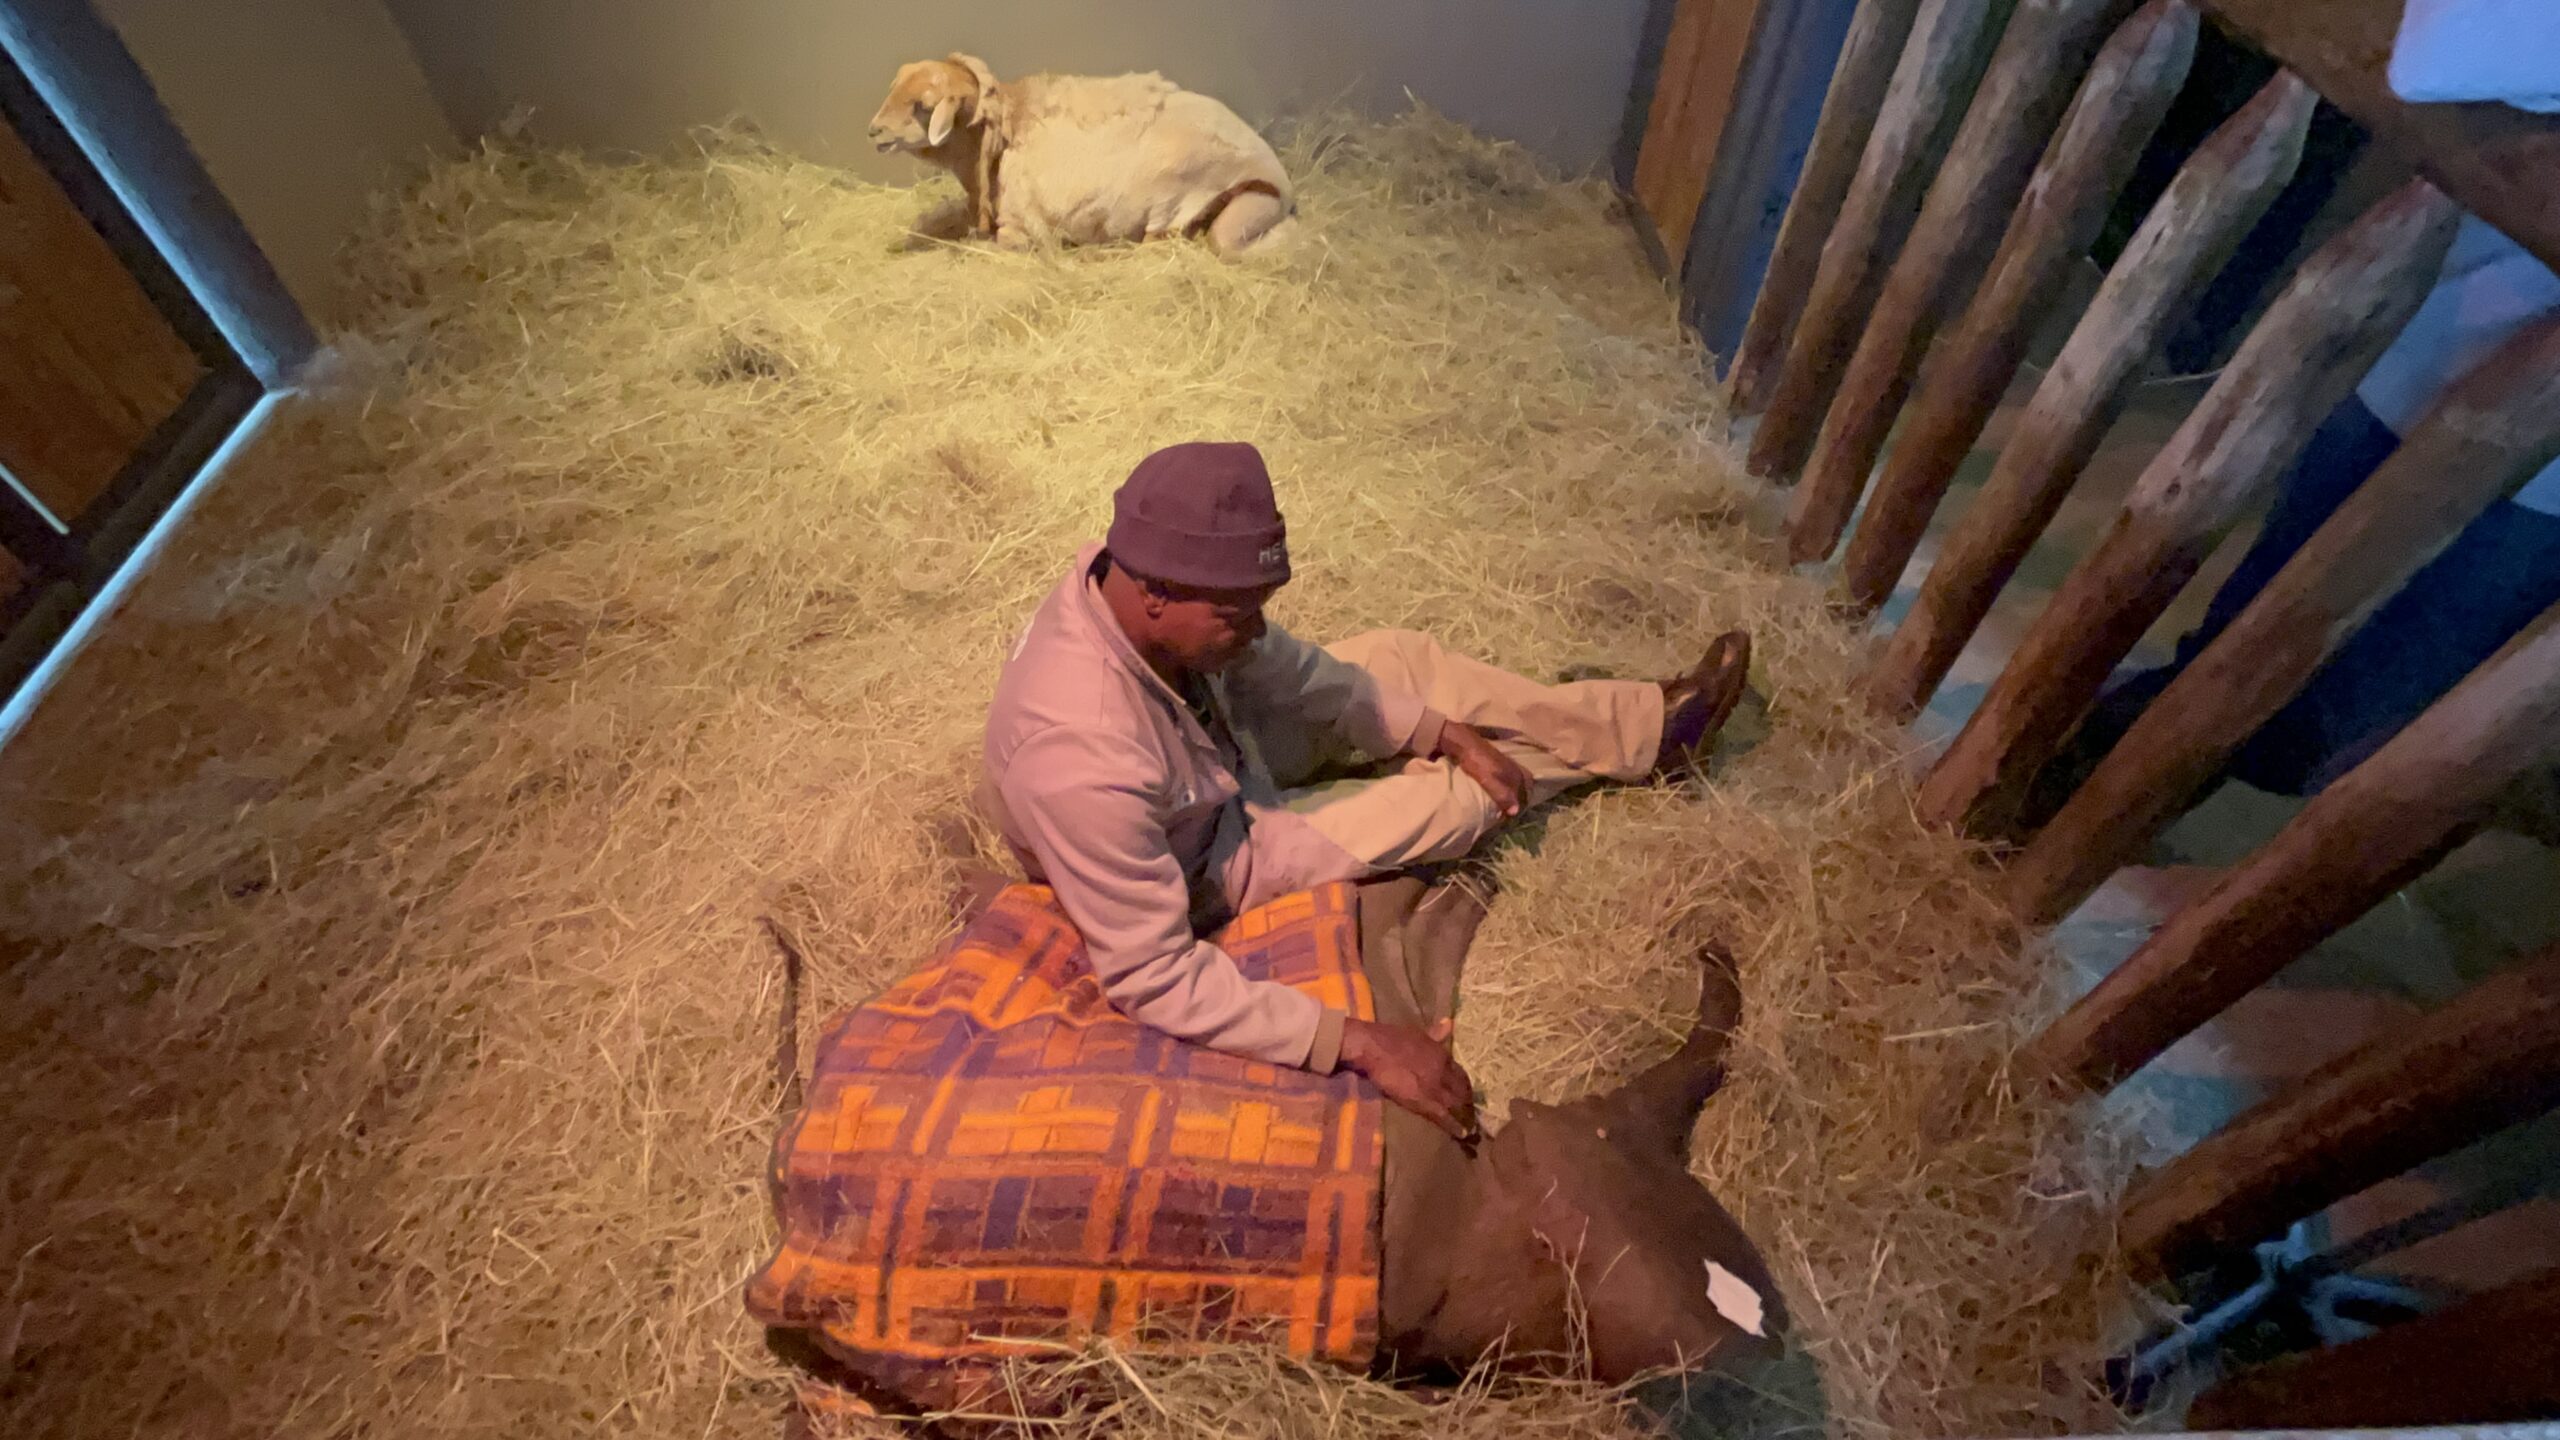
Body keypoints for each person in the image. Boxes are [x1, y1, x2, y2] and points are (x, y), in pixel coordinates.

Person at [981, 441, 1752, 1138]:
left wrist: (1439, 730)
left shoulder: (1143, 586)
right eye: (1235, 614)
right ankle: (1588, 760)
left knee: (1400, 664)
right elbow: (1153, 975)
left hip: (1209, 744)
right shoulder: (1081, 757)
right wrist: (1355, 1041)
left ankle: (1647, 729)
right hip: (1208, 852)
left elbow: (1294, 669)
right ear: (1156, 593)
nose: (1255, 631)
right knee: (1450, 804)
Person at [2036, 213, 2560, 812]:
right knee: (2264, 617)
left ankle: (2158, 778)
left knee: (2382, 683)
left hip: (2510, 445)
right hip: (2452, 344)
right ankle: (2112, 764)